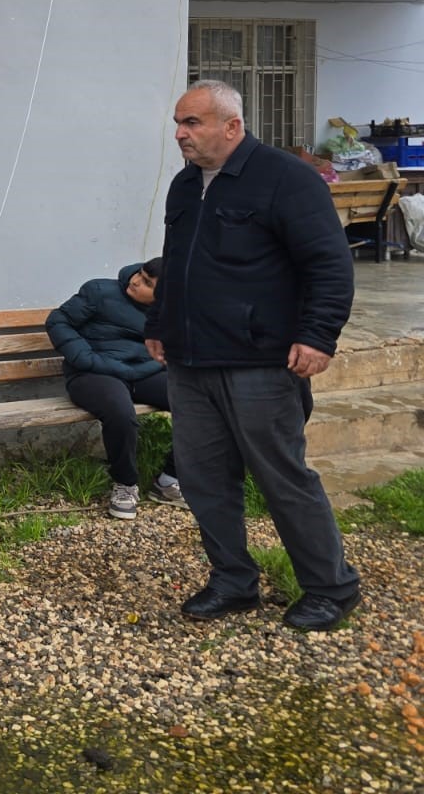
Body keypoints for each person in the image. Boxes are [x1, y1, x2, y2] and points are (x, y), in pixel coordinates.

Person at [145, 79, 360, 632]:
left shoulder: (286, 179)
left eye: (192, 122)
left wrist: (318, 336)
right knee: (203, 479)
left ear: (232, 126)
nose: (180, 134)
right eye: (178, 122)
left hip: (260, 363)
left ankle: (330, 588)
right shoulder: (185, 185)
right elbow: (174, 260)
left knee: (281, 476)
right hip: (191, 361)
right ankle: (233, 581)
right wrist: (159, 323)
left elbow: (329, 265)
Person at [46, 258, 184, 519]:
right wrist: (85, 358)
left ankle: (168, 481)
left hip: (142, 373)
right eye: (140, 274)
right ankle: (125, 484)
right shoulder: (99, 291)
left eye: (147, 283)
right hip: (92, 374)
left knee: (199, 402)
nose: (136, 281)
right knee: (120, 411)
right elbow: (58, 321)